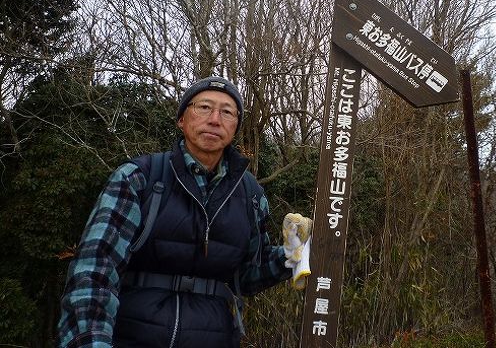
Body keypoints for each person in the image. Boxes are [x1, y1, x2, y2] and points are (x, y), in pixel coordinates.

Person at [58, 76, 311, 347]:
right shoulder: (140, 178)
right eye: (204, 107)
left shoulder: (250, 194)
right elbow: (95, 270)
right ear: (181, 119)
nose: (215, 119)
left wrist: (291, 253)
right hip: (131, 335)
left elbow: (247, 277)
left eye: (227, 112)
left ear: (235, 126)